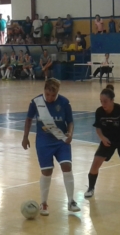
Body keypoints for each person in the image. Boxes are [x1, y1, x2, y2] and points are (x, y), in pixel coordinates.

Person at [22, 78, 81, 216]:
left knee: (67, 166)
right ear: (44, 90)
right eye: (48, 94)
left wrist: (70, 133)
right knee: (47, 171)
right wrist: (25, 137)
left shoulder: (65, 103)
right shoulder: (36, 102)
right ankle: (43, 203)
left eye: (53, 95)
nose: (50, 98)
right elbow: (29, 119)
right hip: (44, 141)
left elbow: (70, 122)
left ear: (57, 93)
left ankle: (71, 201)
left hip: (61, 141)